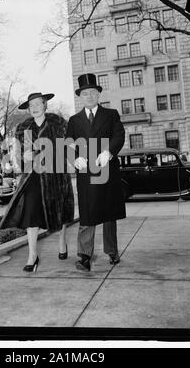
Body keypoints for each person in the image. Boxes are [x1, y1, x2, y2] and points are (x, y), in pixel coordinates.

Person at [0, 92, 74, 272]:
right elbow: (20, 153)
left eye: (37, 104)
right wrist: (22, 157)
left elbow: (68, 146)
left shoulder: (58, 123)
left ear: (45, 105)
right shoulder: (24, 128)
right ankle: (32, 255)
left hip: (55, 173)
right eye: (31, 105)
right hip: (33, 175)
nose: (34, 108)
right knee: (31, 212)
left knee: (60, 210)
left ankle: (62, 240)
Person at [66, 73, 126, 272]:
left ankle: (112, 251)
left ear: (98, 94)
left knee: (109, 214)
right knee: (87, 215)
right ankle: (84, 257)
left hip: (107, 169)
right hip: (86, 174)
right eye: (85, 93)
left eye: (92, 92)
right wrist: (75, 158)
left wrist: (108, 152)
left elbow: (119, 135)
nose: (89, 96)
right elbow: (68, 143)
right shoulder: (74, 120)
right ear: (80, 97)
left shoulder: (111, 115)